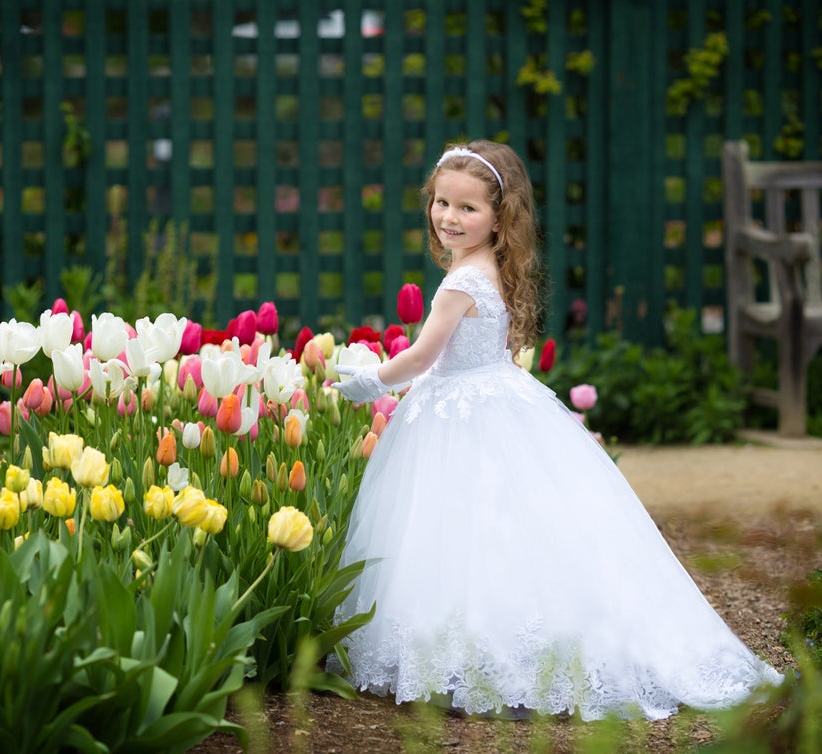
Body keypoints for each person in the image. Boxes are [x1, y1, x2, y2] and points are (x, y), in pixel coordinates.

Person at [331, 140, 782, 721]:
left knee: (461, 533)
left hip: (460, 413)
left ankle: (485, 652)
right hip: (497, 399)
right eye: (441, 203)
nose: (449, 217)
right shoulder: (488, 266)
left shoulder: (458, 283)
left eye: (467, 208)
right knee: (508, 529)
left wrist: (370, 381)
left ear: (499, 216)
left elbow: (420, 358)